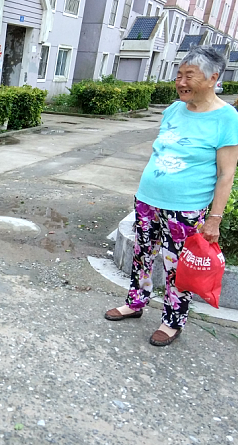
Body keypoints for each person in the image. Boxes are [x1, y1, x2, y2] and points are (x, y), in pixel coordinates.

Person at [105, 46, 238, 346]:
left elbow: (226, 174)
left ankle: (172, 322)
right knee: (142, 255)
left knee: (177, 266)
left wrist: (215, 218)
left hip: (186, 208)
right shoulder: (173, 110)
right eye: (179, 75)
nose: (181, 82)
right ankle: (135, 302)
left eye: (189, 75)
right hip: (148, 199)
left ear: (213, 78)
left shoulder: (226, 118)